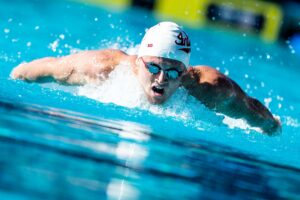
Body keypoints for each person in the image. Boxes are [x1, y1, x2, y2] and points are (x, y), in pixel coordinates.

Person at [11, 22, 281, 135]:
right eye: (154, 68)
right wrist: (15, 77)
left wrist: (272, 126)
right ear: (138, 62)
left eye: (174, 72)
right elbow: (43, 69)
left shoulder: (213, 90)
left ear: (185, 75)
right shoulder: (102, 68)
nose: (162, 78)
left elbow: (255, 114)